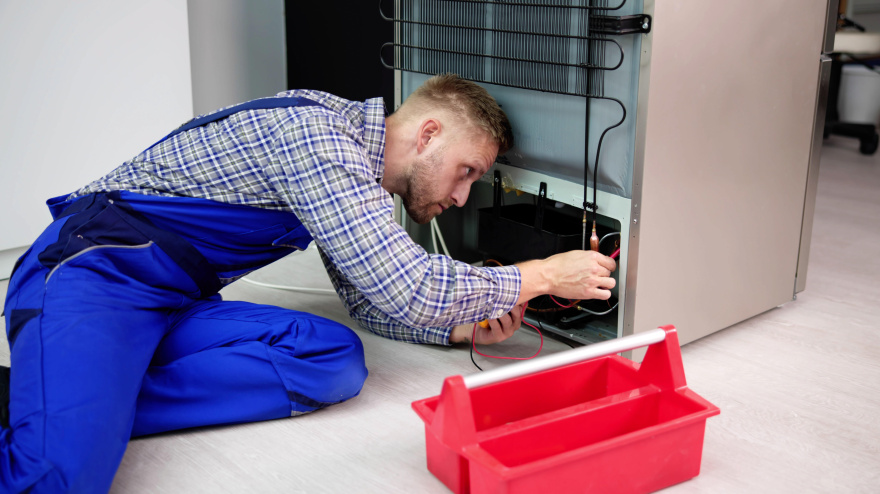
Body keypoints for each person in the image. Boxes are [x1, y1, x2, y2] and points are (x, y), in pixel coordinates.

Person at [0, 73, 617, 492]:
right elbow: (409, 287)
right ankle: (66, 403)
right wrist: (536, 274)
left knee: (329, 357)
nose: (460, 197)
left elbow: (370, 298)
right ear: (428, 134)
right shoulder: (318, 140)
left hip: (171, 305)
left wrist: (458, 327)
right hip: (92, 275)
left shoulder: (350, 165)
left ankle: (77, 394)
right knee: (57, 475)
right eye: (466, 172)